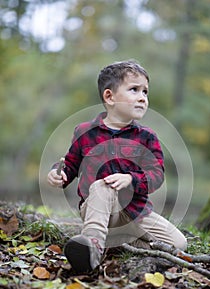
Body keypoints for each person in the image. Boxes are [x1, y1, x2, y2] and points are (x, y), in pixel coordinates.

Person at [47, 60, 187, 275]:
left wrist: (131, 179)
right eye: (134, 90)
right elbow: (70, 163)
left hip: (135, 212)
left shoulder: (147, 137)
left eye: (145, 92)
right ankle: (91, 248)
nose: (142, 97)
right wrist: (59, 173)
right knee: (103, 186)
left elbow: (157, 174)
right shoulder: (85, 131)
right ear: (109, 97)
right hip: (98, 208)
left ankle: (117, 244)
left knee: (179, 244)